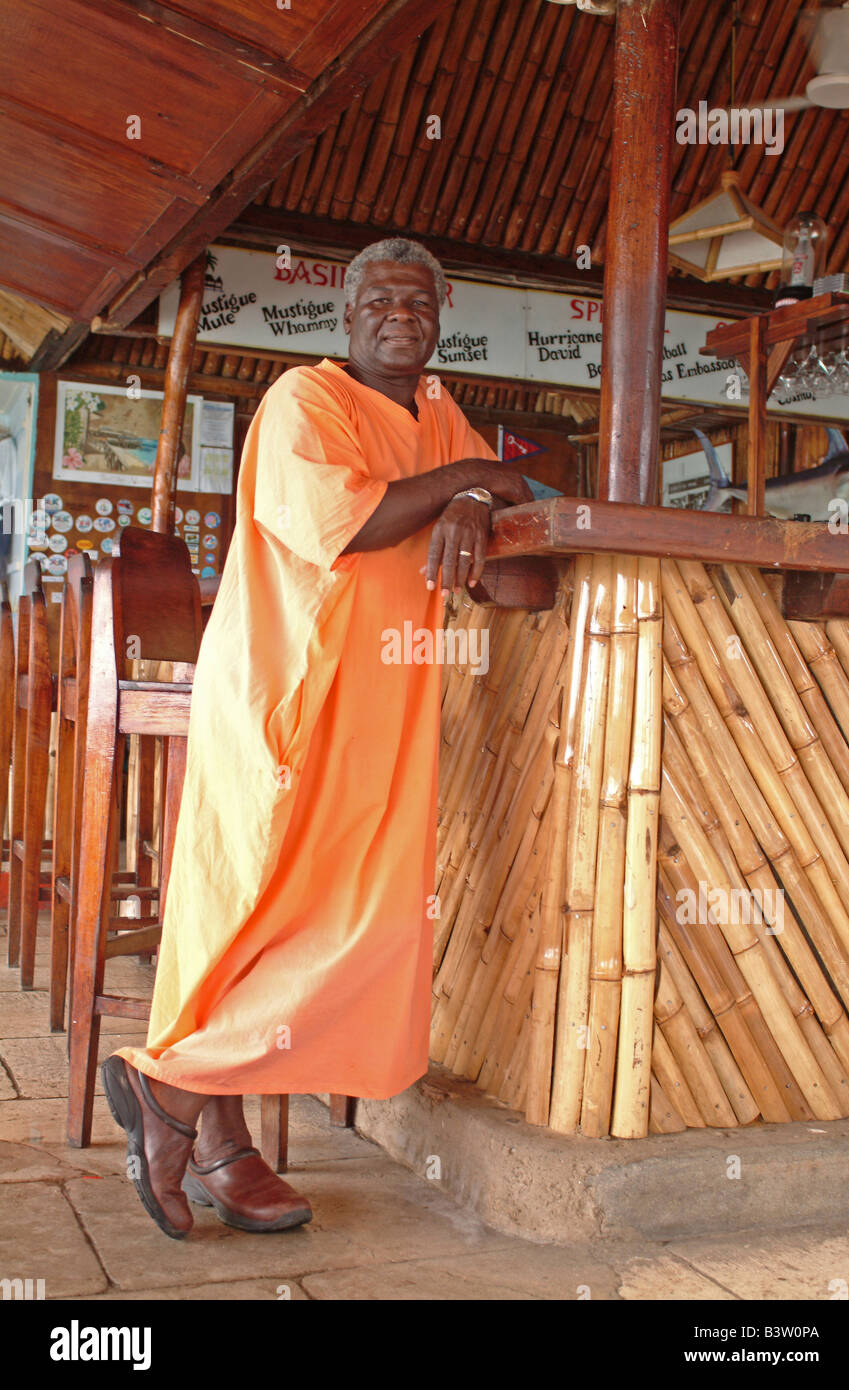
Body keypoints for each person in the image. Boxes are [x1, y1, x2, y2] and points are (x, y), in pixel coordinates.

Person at [102, 237, 533, 1239]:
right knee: (258, 914)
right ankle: (185, 1103)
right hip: (285, 695)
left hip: (383, 709)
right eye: (380, 299)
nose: (400, 314)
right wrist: (472, 475)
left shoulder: (434, 412)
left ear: (439, 315)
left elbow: (490, 505)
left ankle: (199, 1118)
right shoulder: (307, 397)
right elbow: (355, 519)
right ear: (346, 317)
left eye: (418, 302)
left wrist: (471, 490)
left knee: (359, 924)